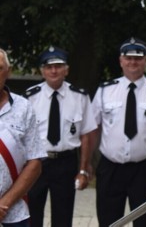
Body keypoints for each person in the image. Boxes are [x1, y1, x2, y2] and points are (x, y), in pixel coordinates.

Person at [91, 37, 146, 227]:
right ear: (121, 61)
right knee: (108, 220)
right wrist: (86, 163)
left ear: (145, 61)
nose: (133, 62)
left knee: (145, 222)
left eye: (138, 58)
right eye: (128, 58)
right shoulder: (105, 91)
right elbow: (93, 129)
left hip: (144, 168)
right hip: (110, 168)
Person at [24, 46, 97, 227]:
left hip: (65, 163)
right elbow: (22, 136)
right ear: (42, 71)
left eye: (58, 66)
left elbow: (86, 135)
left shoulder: (79, 97)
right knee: (32, 214)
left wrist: (83, 170)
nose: (53, 71)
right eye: (48, 67)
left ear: (66, 70)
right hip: (36, 163)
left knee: (63, 217)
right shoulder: (29, 98)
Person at [0, 48, 45, 227]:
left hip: (13, 211)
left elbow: (35, 163)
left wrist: (4, 204)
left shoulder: (23, 107)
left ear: (8, 72)